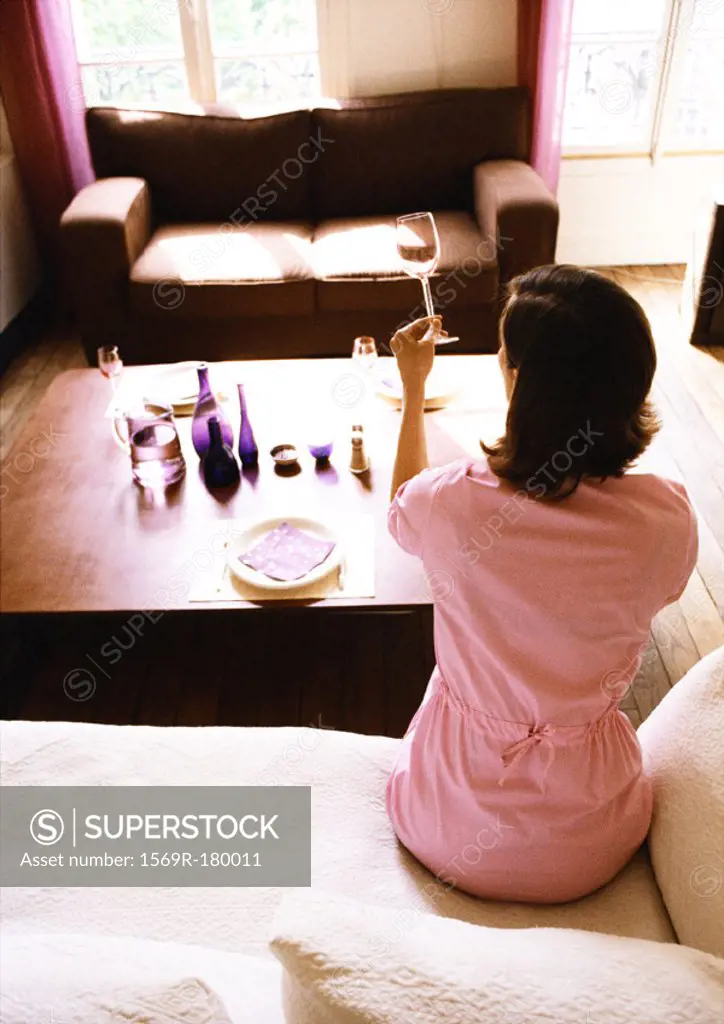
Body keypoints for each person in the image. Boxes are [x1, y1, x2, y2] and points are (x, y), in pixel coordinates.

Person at [386, 264, 698, 904]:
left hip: (442, 826)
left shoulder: (450, 504)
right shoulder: (666, 520)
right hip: (594, 843)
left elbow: (401, 510)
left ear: (519, 381)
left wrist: (414, 389)